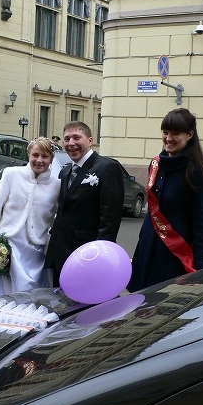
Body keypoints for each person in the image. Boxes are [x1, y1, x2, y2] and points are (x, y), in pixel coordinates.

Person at [127, 107, 203, 293]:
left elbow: (201, 222)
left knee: (162, 302)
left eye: (175, 133)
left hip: (173, 255)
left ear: (189, 135)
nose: (168, 138)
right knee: (140, 300)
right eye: (165, 132)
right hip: (148, 248)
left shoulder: (196, 171)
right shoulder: (156, 164)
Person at [0, 137, 61, 299]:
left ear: (51, 158)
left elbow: (57, 219)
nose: (39, 160)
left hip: (36, 254)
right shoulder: (11, 174)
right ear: (28, 155)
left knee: (31, 300)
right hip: (8, 247)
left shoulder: (56, 185)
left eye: (45, 156)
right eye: (35, 155)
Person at [44, 121, 125, 287]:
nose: (71, 143)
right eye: (67, 139)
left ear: (90, 140)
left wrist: (100, 257)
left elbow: (110, 218)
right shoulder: (65, 171)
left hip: (87, 255)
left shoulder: (107, 167)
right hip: (60, 254)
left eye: (76, 138)